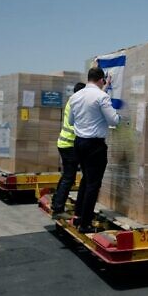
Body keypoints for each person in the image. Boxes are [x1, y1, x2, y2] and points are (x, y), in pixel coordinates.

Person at [68, 67, 123, 233]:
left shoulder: (75, 96)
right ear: (101, 80)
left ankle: (78, 215)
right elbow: (114, 120)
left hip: (79, 143)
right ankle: (85, 224)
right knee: (93, 184)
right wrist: (121, 117)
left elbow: (71, 121)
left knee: (86, 179)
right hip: (94, 146)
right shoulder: (102, 97)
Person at [51, 82, 86, 219]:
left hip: (64, 143)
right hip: (69, 145)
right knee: (69, 177)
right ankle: (58, 209)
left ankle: (56, 201)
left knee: (66, 176)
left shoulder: (71, 102)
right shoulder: (77, 104)